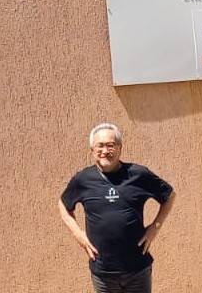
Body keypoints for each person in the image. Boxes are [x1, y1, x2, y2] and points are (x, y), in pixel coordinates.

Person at [59, 123, 175, 293]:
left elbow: (169, 196)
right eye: (100, 145)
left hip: (138, 270)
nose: (105, 151)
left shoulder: (138, 174)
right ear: (92, 149)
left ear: (120, 148)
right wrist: (79, 234)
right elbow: (63, 205)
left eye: (110, 145)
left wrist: (155, 227)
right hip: (103, 273)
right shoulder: (83, 180)